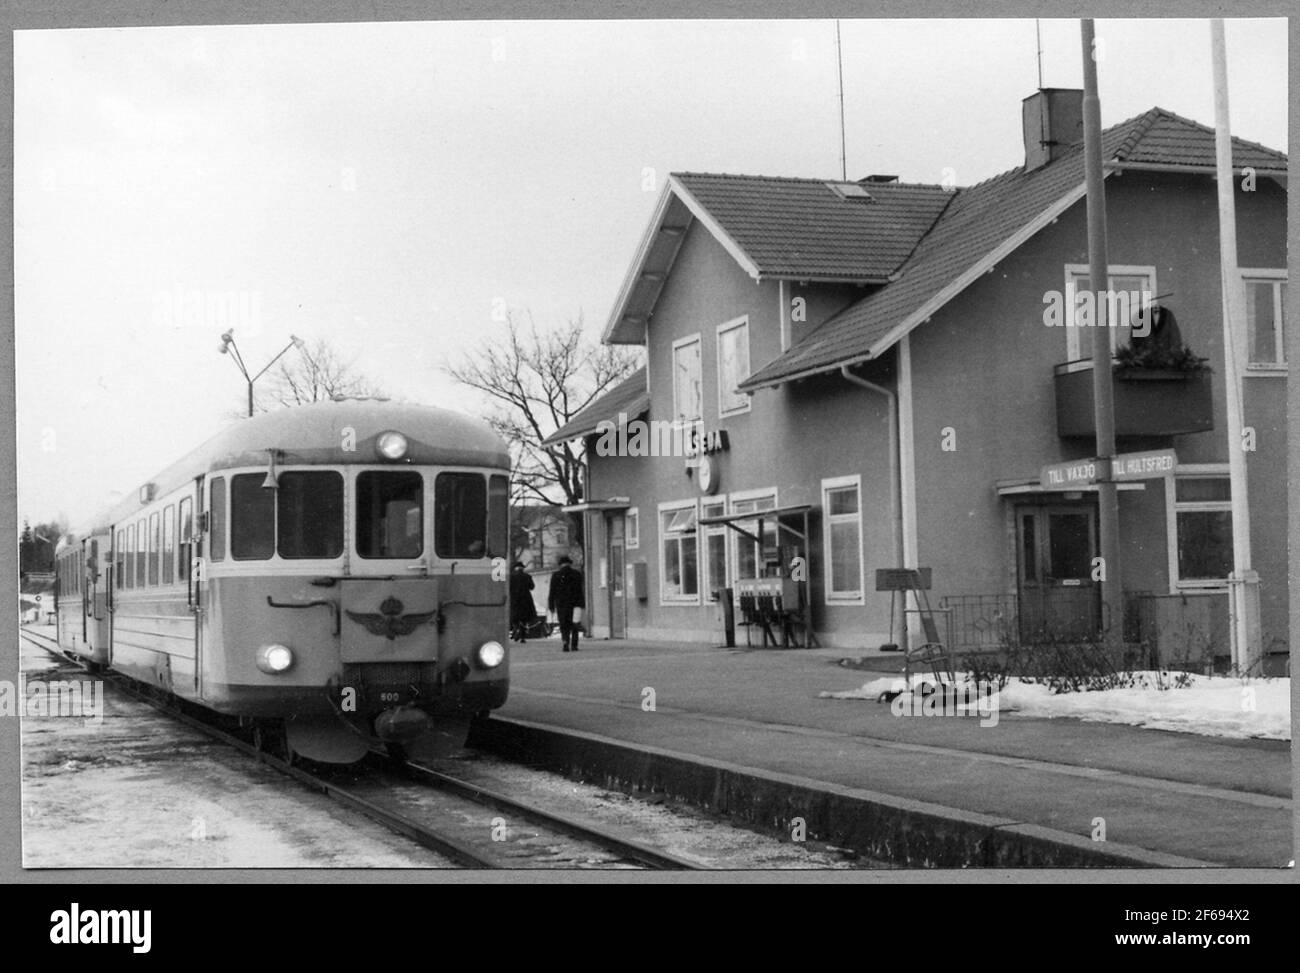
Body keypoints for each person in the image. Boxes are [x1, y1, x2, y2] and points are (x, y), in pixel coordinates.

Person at [547, 555, 586, 652]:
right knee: (575, 623)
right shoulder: (576, 574)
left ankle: (565, 641)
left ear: (560, 564)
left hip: (561, 604)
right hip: (575, 603)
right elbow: (580, 590)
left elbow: (552, 592)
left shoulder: (556, 575)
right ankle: (574, 645)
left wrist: (551, 605)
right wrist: (582, 603)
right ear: (569, 563)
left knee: (564, 623)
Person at [509, 561, 537, 642]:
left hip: (514, 600)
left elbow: (508, 588)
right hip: (526, 600)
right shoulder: (527, 576)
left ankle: (516, 629)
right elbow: (532, 587)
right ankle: (523, 636)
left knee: (515, 617)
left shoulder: (511, 577)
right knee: (524, 619)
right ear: (523, 568)